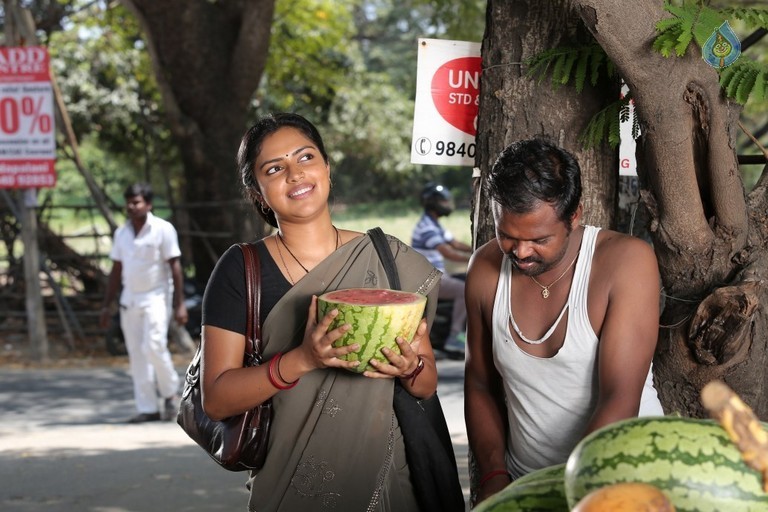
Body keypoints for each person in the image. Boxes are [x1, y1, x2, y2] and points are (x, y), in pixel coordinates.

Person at [200, 113, 462, 511]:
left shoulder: (389, 259)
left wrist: (408, 368)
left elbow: (425, 385)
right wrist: (302, 359)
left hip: (390, 485)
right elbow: (217, 400)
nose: (294, 173)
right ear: (257, 192)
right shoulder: (242, 270)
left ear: (326, 167)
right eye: (274, 168)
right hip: (288, 486)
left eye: (305, 157)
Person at [464, 139, 664, 503]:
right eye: (507, 236)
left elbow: (619, 396)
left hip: (622, 477)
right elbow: (479, 383)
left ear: (575, 216)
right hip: (528, 481)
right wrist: (494, 475)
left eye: (539, 239)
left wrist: (576, 495)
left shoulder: (625, 263)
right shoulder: (485, 269)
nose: (521, 252)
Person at [100, 183, 187, 423]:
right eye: (128, 202)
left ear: (148, 204)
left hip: (157, 296)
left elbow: (175, 267)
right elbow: (116, 271)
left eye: (136, 202)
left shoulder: (162, 229)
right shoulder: (122, 233)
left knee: (154, 345)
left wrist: (179, 304)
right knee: (137, 354)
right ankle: (147, 407)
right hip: (130, 299)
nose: (131, 206)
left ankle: (170, 395)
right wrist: (107, 305)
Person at [411, 182, 472, 357]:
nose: (447, 205)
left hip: (435, 275)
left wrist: (477, 248)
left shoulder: (434, 224)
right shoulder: (427, 227)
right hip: (428, 279)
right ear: (433, 203)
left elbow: (454, 243)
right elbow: (447, 252)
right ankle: (454, 338)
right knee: (463, 290)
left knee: (467, 278)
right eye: (443, 201)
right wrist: (475, 259)